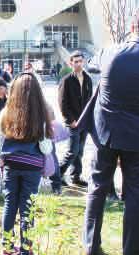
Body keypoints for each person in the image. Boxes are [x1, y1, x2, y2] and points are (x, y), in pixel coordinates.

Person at [81, 6, 139, 255]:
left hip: (106, 132)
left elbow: (92, 65)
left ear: (133, 25)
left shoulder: (110, 51)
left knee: (97, 188)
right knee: (134, 194)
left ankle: (90, 246)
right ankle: (133, 254)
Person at [0, 73, 51, 255]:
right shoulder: (40, 115)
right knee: (28, 210)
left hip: (10, 164)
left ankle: (7, 248)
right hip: (32, 166)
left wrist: (1, 162)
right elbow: (45, 147)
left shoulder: (6, 112)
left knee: (10, 204)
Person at [58, 51, 92, 187]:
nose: (78, 64)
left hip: (84, 122)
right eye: (75, 61)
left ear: (83, 62)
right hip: (72, 123)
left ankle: (75, 176)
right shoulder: (66, 80)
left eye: (80, 61)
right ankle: (58, 174)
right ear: (70, 63)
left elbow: (90, 101)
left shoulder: (88, 79)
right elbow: (62, 103)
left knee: (80, 151)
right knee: (72, 151)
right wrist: (70, 120)